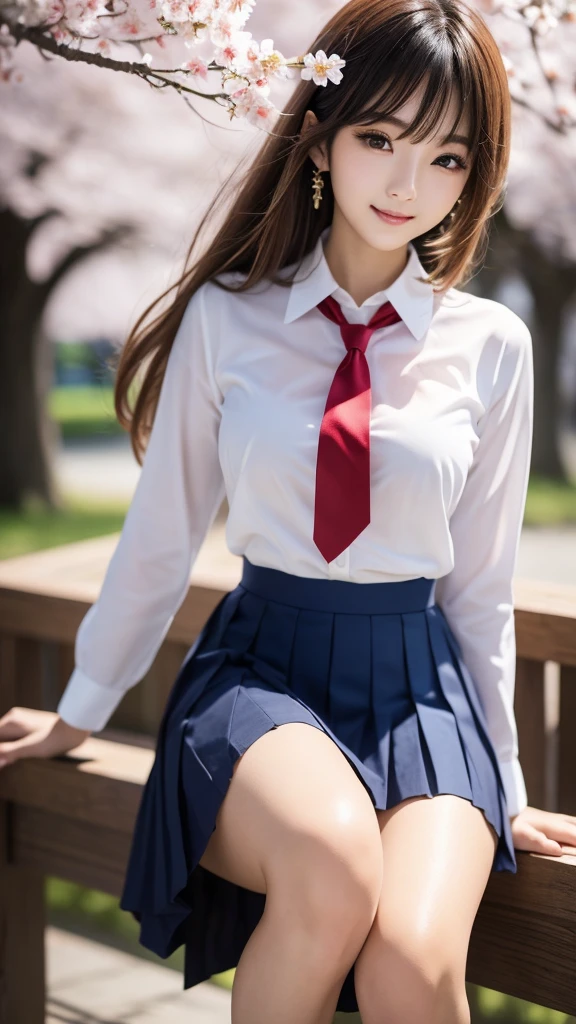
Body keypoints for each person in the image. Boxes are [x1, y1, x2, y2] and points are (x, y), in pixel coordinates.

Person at [2, 0, 576, 1020]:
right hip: (260, 673)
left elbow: (479, 587)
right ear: (321, 140)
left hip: (423, 690)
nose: (408, 183)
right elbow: (163, 534)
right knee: (332, 868)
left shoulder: (493, 345)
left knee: (405, 959)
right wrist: (82, 705)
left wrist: (514, 788)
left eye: (447, 157)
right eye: (380, 138)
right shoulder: (230, 316)